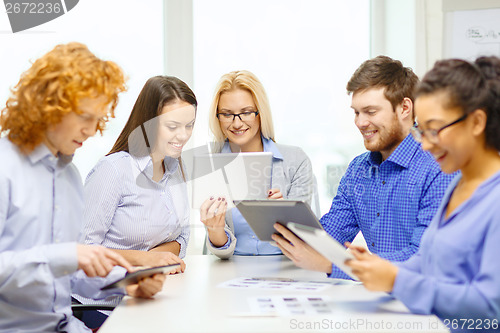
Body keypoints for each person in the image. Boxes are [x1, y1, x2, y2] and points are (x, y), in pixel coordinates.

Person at [0, 42, 165, 332]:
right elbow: (59, 261)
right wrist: (66, 255)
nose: (91, 131)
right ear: (47, 106)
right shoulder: (6, 167)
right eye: (84, 117)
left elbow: (68, 274)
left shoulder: (70, 176)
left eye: (98, 119)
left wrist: (125, 282)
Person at [344, 57, 500, 324]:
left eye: (435, 130)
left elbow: (490, 306)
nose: (425, 146)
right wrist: (379, 269)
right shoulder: (457, 185)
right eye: (422, 132)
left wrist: (396, 280)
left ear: (476, 122)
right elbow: (429, 262)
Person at [272, 56, 454, 278]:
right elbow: (330, 236)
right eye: (356, 112)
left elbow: (423, 258)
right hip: (378, 297)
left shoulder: (440, 166)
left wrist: (333, 265)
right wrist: (288, 218)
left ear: (405, 107)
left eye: (371, 111)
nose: (360, 122)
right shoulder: (359, 169)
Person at [74, 76, 196, 318]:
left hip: (148, 299)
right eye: (172, 126)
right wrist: (145, 261)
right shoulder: (114, 170)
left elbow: (183, 236)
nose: (182, 136)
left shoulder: (174, 169)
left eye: (189, 125)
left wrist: (154, 260)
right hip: (101, 305)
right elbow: (83, 250)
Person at [200, 70, 315, 258]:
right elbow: (219, 248)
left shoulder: (295, 160)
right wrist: (215, 230)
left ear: (260, 113)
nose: (237, 124)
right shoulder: (211, 165)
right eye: (227, 114)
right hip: (229, 269)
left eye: (246, 113)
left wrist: (281, 216)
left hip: (286, 270)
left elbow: (302, 237)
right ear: (217, 117)